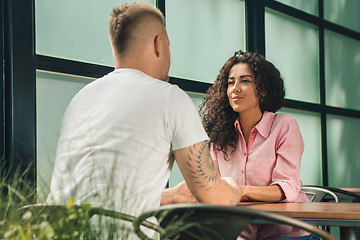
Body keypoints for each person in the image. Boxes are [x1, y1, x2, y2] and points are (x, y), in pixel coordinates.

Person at [46, 1, 242, 229]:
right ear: (159, 44)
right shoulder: (170, 97)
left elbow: (97, 196)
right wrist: (234, 187)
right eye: (169, 46)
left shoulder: (80, 99)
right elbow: (215, 196)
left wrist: (168, 195)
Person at [200, 50, 317, 239]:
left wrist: (240, 191)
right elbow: (213, 187)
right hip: (239, 233)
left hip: (285, 232)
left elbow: (286, 187)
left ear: (262, 89)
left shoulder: (284, 126)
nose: (235, 88)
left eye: (245, 81)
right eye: (231, 82)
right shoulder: (218, 138)